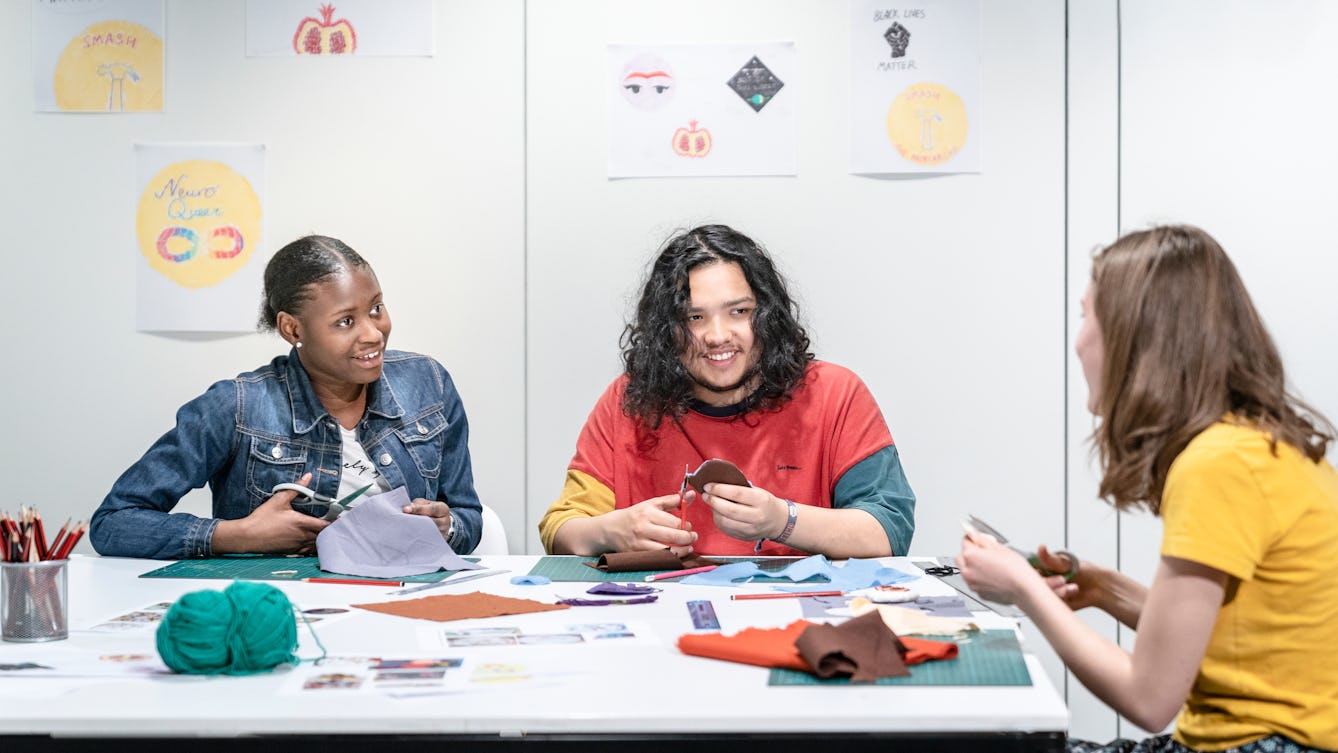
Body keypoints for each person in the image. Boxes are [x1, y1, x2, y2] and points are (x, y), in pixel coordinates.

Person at [957, 225, 1338, 753]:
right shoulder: (1259, 446)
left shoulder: (1219, 464)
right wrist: (1104, 588)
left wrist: (1023, 587)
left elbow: (1149, 698)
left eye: (1086, 315)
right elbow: (1220, 639)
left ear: (1136, 335)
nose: (1078, 340)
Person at [91, 235, 482, 559]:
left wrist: (447, 528)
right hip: (278, 606)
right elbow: (113, 523)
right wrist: (235, 535)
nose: (373, 333)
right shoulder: (236, 407)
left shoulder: (428, 382)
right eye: (345, 321)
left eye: (376, 308)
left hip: (402, 601)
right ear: (292, 328)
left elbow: (467, 517)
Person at [539, 224, 915, 558]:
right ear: (666, 329)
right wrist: (612, 531)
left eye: (738, 312)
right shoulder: (629, 400)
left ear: (767, 314)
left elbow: (888, 531)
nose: (717, 336)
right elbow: (560, 531)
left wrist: (782, 521)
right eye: (694, 317)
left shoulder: (835, 393)